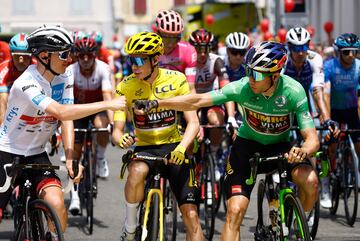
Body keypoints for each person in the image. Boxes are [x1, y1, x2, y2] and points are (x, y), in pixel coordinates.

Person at [134, 41, 320, 241]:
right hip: (247, 148)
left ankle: (297, 223)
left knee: (311, 181)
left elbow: (312, 139)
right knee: (234, 211)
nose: (250, 78)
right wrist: (158, 103)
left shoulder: (294, 91)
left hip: (281, 146)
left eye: (256, 74)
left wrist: (303, 150)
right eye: (248, 71)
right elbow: (197, 100)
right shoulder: (242, 87)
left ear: (275, 75)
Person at [0, 25, 126, 230]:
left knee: (57, 204)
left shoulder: (65, 76)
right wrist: (107, 104)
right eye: (65, 54)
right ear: (44, 56)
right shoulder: (26, 83)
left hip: (36, 153)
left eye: (71, 53)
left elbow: (68, 119)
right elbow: (61, 112)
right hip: (7, 152)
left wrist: (70, 159)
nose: (70, 59)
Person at [112, 31, 204, 241]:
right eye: (130, 60)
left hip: (175, 147)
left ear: (155, 59)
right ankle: (131, 225)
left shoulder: (177, 80)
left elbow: (193, 122)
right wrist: (121, 138)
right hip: (145, 148)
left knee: (191, 217)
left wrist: (182, 148)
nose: (133, 66)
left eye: (138, 60)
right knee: (135, 171)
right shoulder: (126, 86)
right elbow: (116, 130)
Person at [284, 27, 337, 208]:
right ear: (289, 48)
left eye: (304, 47)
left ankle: (322, 184)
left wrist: (325, 117)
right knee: (284, 138)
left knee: (315, 141)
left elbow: (317, 90)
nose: (300, 52)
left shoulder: (315, 59)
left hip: (306, 101)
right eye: (296, 48)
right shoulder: (283, 62)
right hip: (285, 102)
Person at [67, 36, 115, 214]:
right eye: (81, 56)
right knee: (75, 155)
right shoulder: (70, 70)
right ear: (76, 56)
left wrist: (113, 124)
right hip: (78, 110)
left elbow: (108, 97)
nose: (85, 59)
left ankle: (100, 158)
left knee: (102, 125)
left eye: (89, 55)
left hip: (97, 107)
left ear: (95, 55)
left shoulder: (103, 68)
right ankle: (75, 197)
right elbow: (66, 101)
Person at [188, 28, 235, 179]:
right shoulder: (189, 61)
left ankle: (214, 154)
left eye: (206, 49)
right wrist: (194, 122)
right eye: (198, 49)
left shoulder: (216, 61)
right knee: (189, 135)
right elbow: (191, 92)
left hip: (209, 99)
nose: (202, 53)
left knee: (216, 121)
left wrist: (231, 117)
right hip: (191, 101)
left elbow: (227, 90)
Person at [324, 33, 360, 193]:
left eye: (355, 51)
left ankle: (353, 169)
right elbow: (325, 94)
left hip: (352, 111)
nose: (351, 55)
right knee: (331, 146)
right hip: (335, 112)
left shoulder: (359, 67)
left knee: (359, 146)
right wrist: (327, 119)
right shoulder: (330, 66)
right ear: (339, 52)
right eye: (346, 52)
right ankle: (330, 176)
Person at [155, 9, 197, 91]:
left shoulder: (188, 51)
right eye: (166, 38)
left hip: (178, 94)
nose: (170, 44)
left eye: (175, 38)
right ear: (157, 34)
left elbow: (191, 88)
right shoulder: (148, 51)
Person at [0, 33, 36, 125]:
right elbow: (2, 99)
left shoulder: (37, 67)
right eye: (17, 56)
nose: (21, 61)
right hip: (10, 101)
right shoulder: (4, 68)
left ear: (31, 55)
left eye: (25, 56)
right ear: (11, 55)